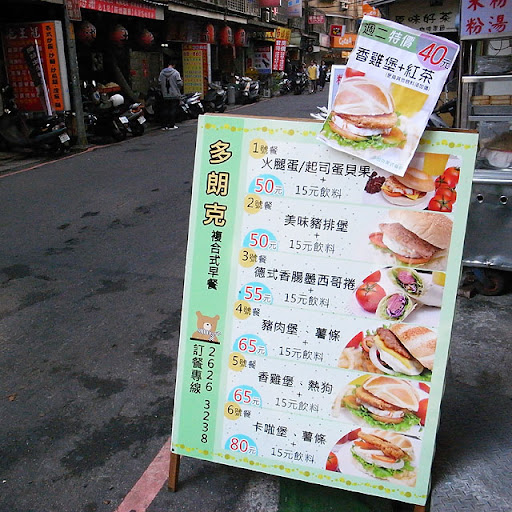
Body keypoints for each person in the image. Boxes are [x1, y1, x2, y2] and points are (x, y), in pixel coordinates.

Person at [158, 59, 183, 130]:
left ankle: (164, 125)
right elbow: (180, 84)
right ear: (174, 65)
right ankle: (171, 125)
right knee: (173, 110)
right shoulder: (176, 73)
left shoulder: (162, 73)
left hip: (165, 95)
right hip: (174, 94)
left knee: (165, 110)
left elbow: (159, 83)